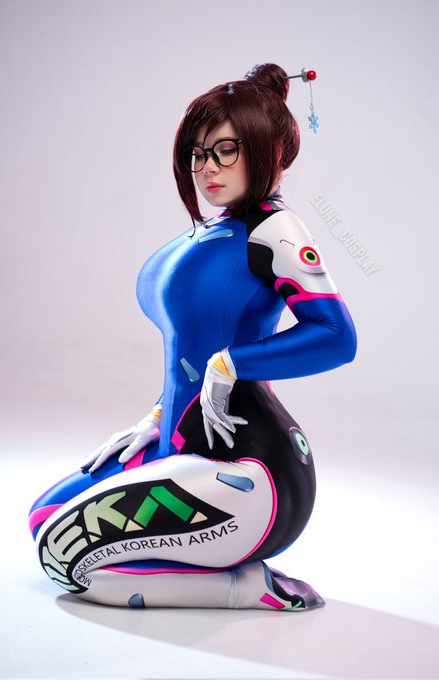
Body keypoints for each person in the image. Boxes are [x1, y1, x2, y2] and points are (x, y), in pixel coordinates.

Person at [29, 63, 357, 610]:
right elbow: (191, 345)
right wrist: (158, 415)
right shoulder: (219, 228)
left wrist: (230, 364)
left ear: (270, 150)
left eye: (226, 150)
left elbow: (336, 337)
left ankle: (246, 587)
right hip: (183, 441)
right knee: (42, 517)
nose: (207, 168)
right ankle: (208, 561)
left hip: (250, 470)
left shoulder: (276, 228)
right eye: (198, 153)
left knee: (62, 556)